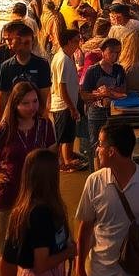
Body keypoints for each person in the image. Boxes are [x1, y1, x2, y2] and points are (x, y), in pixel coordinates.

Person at [0, 82, 57, 276]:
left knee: (34, 242)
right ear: (15, 104)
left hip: (37, 196)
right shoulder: (4, 129)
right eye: (25, 103)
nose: (32, 107)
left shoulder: (44, 125)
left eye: (34, 101)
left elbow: (51, 157)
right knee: (7, 246)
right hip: (7, 194)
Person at [75, 122, 139, 276]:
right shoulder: (94, 182)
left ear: (111, 151)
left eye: (100, 144)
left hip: (138, 275)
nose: (97, 149)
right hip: (101, 274)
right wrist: (79, 270)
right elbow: (85, 228)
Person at [2, 149, 75, 276]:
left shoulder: (23, 209)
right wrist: (69, 252)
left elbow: (7, 258)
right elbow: (41, 264)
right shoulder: (40, 214)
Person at [80, 39, 127, 168]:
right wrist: (99, 94)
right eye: (111, 52)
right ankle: (94, 172)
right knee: (96, 145)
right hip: (96, 113)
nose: (115, 56)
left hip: (114, 112)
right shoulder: (92, 71)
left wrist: (110, 92)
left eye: (118, 52)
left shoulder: (119, 70)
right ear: (103, 52)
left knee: (114, 146)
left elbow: (123, 90)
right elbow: (83, 94)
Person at [0, 23, 54, 115]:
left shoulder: (42, 64)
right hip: (13, 118)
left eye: (10, 39)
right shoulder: (5, 67)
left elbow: (45, 97)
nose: (8, 43)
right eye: (7, 40)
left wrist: (43, 120)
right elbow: (2, 97)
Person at [50, 29, 85, 172]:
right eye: (77, 40)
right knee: (64, 136)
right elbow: (61, 87)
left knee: (68, 134)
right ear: (69, 41)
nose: (79, 43)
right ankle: (65, 162)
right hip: (63, 104)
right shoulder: (63, 59)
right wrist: (72, 107)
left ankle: (66, 159)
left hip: (66, 102)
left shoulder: (65, 56)